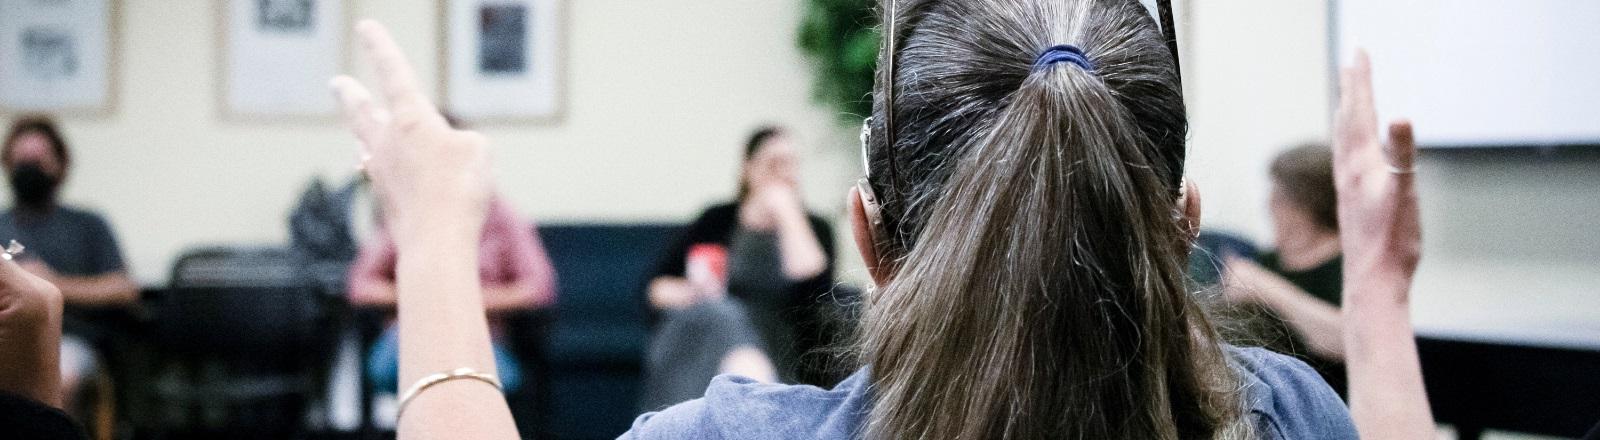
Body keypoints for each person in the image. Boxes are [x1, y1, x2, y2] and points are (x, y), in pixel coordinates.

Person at [329, 6, 1432, 438]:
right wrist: (1377, 303)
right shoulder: (1286, 413)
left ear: (868, 232)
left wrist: (430, 238)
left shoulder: (734, 437)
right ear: (1181, 225)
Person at [640, 126, 837, 408]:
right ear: (748, 168)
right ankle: (763, 404)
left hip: (778, 336)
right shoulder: (716, 219)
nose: (783, 173)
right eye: (773, 163)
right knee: (723, 313)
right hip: (706, 330)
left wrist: (787, 213)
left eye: (791, 164)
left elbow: (817, 289)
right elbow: (654, 289)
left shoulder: (814, 227)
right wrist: (695, 291)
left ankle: (758, 400)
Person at [347, 193, 556, 396]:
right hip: (411, 336)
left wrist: (463, 300)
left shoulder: (501, 216)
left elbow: (539, 288)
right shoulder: (409, 212)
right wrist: (422, 297)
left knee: (466, 369)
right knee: (414, 364)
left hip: (481, 337)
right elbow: (360, 286)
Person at [0, 116, 139, 413]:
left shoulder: (87, 225)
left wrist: (49, 283)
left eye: (38, 159)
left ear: (60, 165)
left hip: (69, 340)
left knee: (59, 377)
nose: (28, 168)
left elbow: (124, 289)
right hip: (5, 340)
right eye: (21, 159)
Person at [1224, 143, 1348, 396]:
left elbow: (1348, 341)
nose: (1269, 206)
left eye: (1279, 197)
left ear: (1307, 205)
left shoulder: (1349, 269)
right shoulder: (1261, 261)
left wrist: (1266, 288)